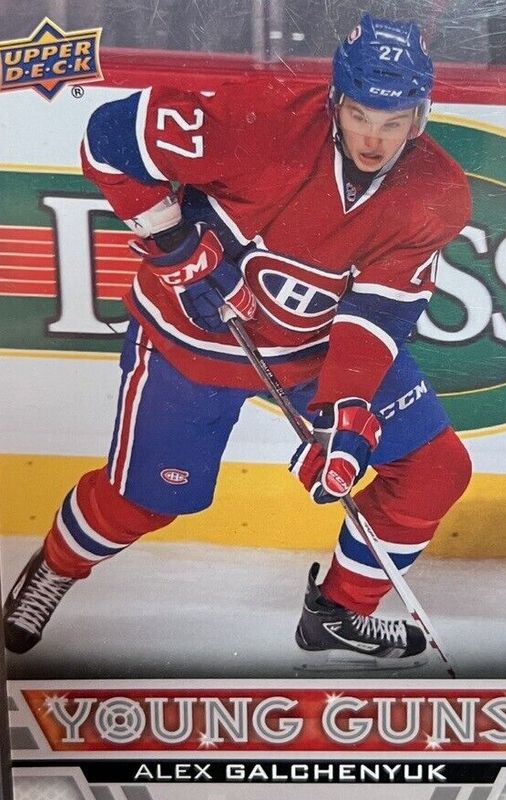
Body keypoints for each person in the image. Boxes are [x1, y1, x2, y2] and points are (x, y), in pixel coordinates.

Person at [3, 14, 472, 667]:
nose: (374, 138)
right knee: (142, 503)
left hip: (312, 351)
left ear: (420, 118)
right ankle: (55, 566)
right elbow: (108, 138)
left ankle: (337, 613)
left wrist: (344, 417)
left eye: (393, 123)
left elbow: (375, 314)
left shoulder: (435, 193)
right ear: (336, 100)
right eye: (360, 115)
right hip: (189, 340)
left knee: (433, 468)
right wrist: (171, 237)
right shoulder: (261, 120)